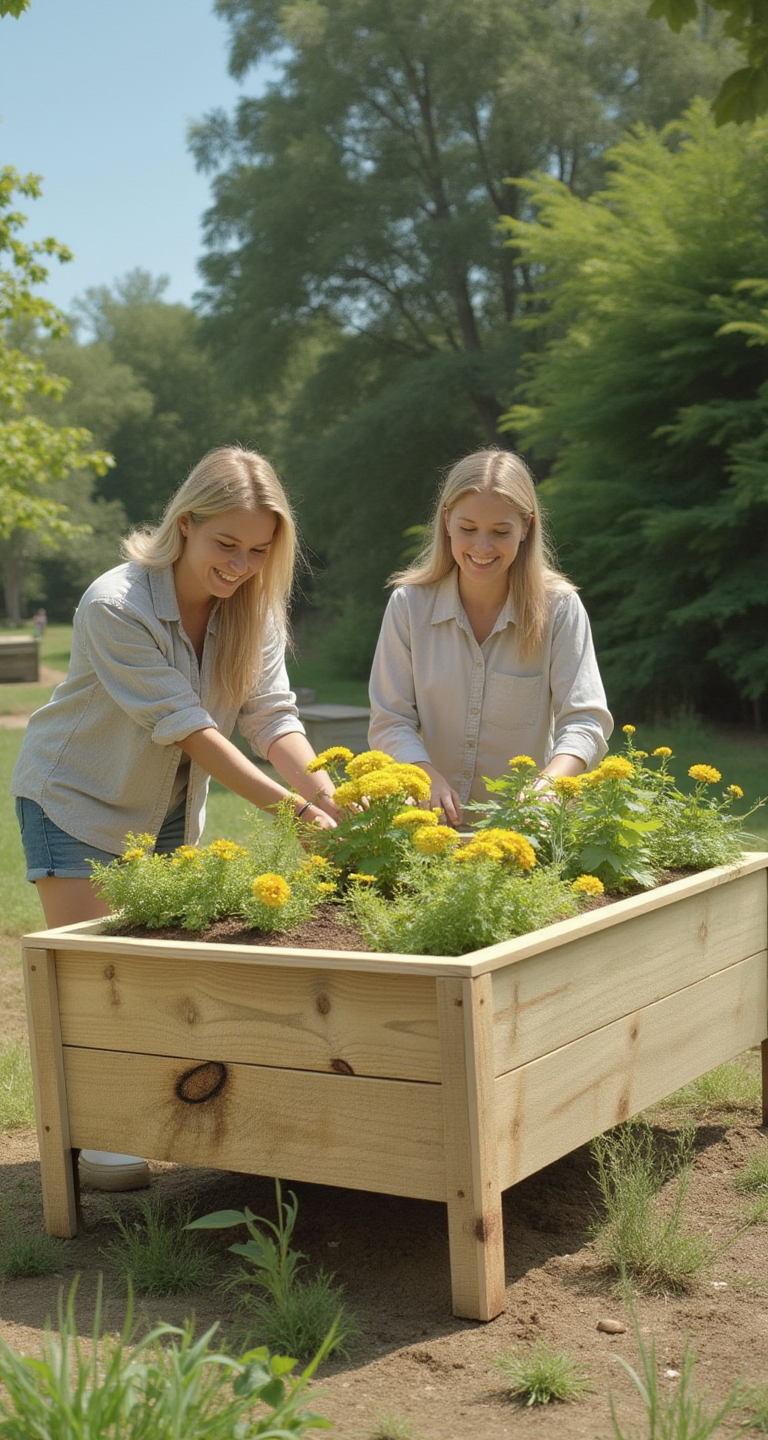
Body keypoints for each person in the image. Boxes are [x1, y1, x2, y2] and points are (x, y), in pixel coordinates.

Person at [12, 445, 338, 1190]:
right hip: (78, 797)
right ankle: (98, 1140)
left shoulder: (251, 609)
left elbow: (271, 716)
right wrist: (288, 812)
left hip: (164, 813)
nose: (241, 564)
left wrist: (329, 797)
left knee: (156, 978)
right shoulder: (115, 603)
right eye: (226, 544)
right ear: (185, 524)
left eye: (259, 551)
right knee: (93, 978)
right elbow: (188, 726)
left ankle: (132, 1113)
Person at [368, 448, 613, 824]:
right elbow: (390, 720)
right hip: (428, 827)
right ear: (446, 521)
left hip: (527, 828)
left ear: (527, 527)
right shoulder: (409, 605)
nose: (482, 548)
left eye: (501, 532)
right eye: (468, 529)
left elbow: (584, 721)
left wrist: (547, 786)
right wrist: (425, 776)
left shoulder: (560, 609)